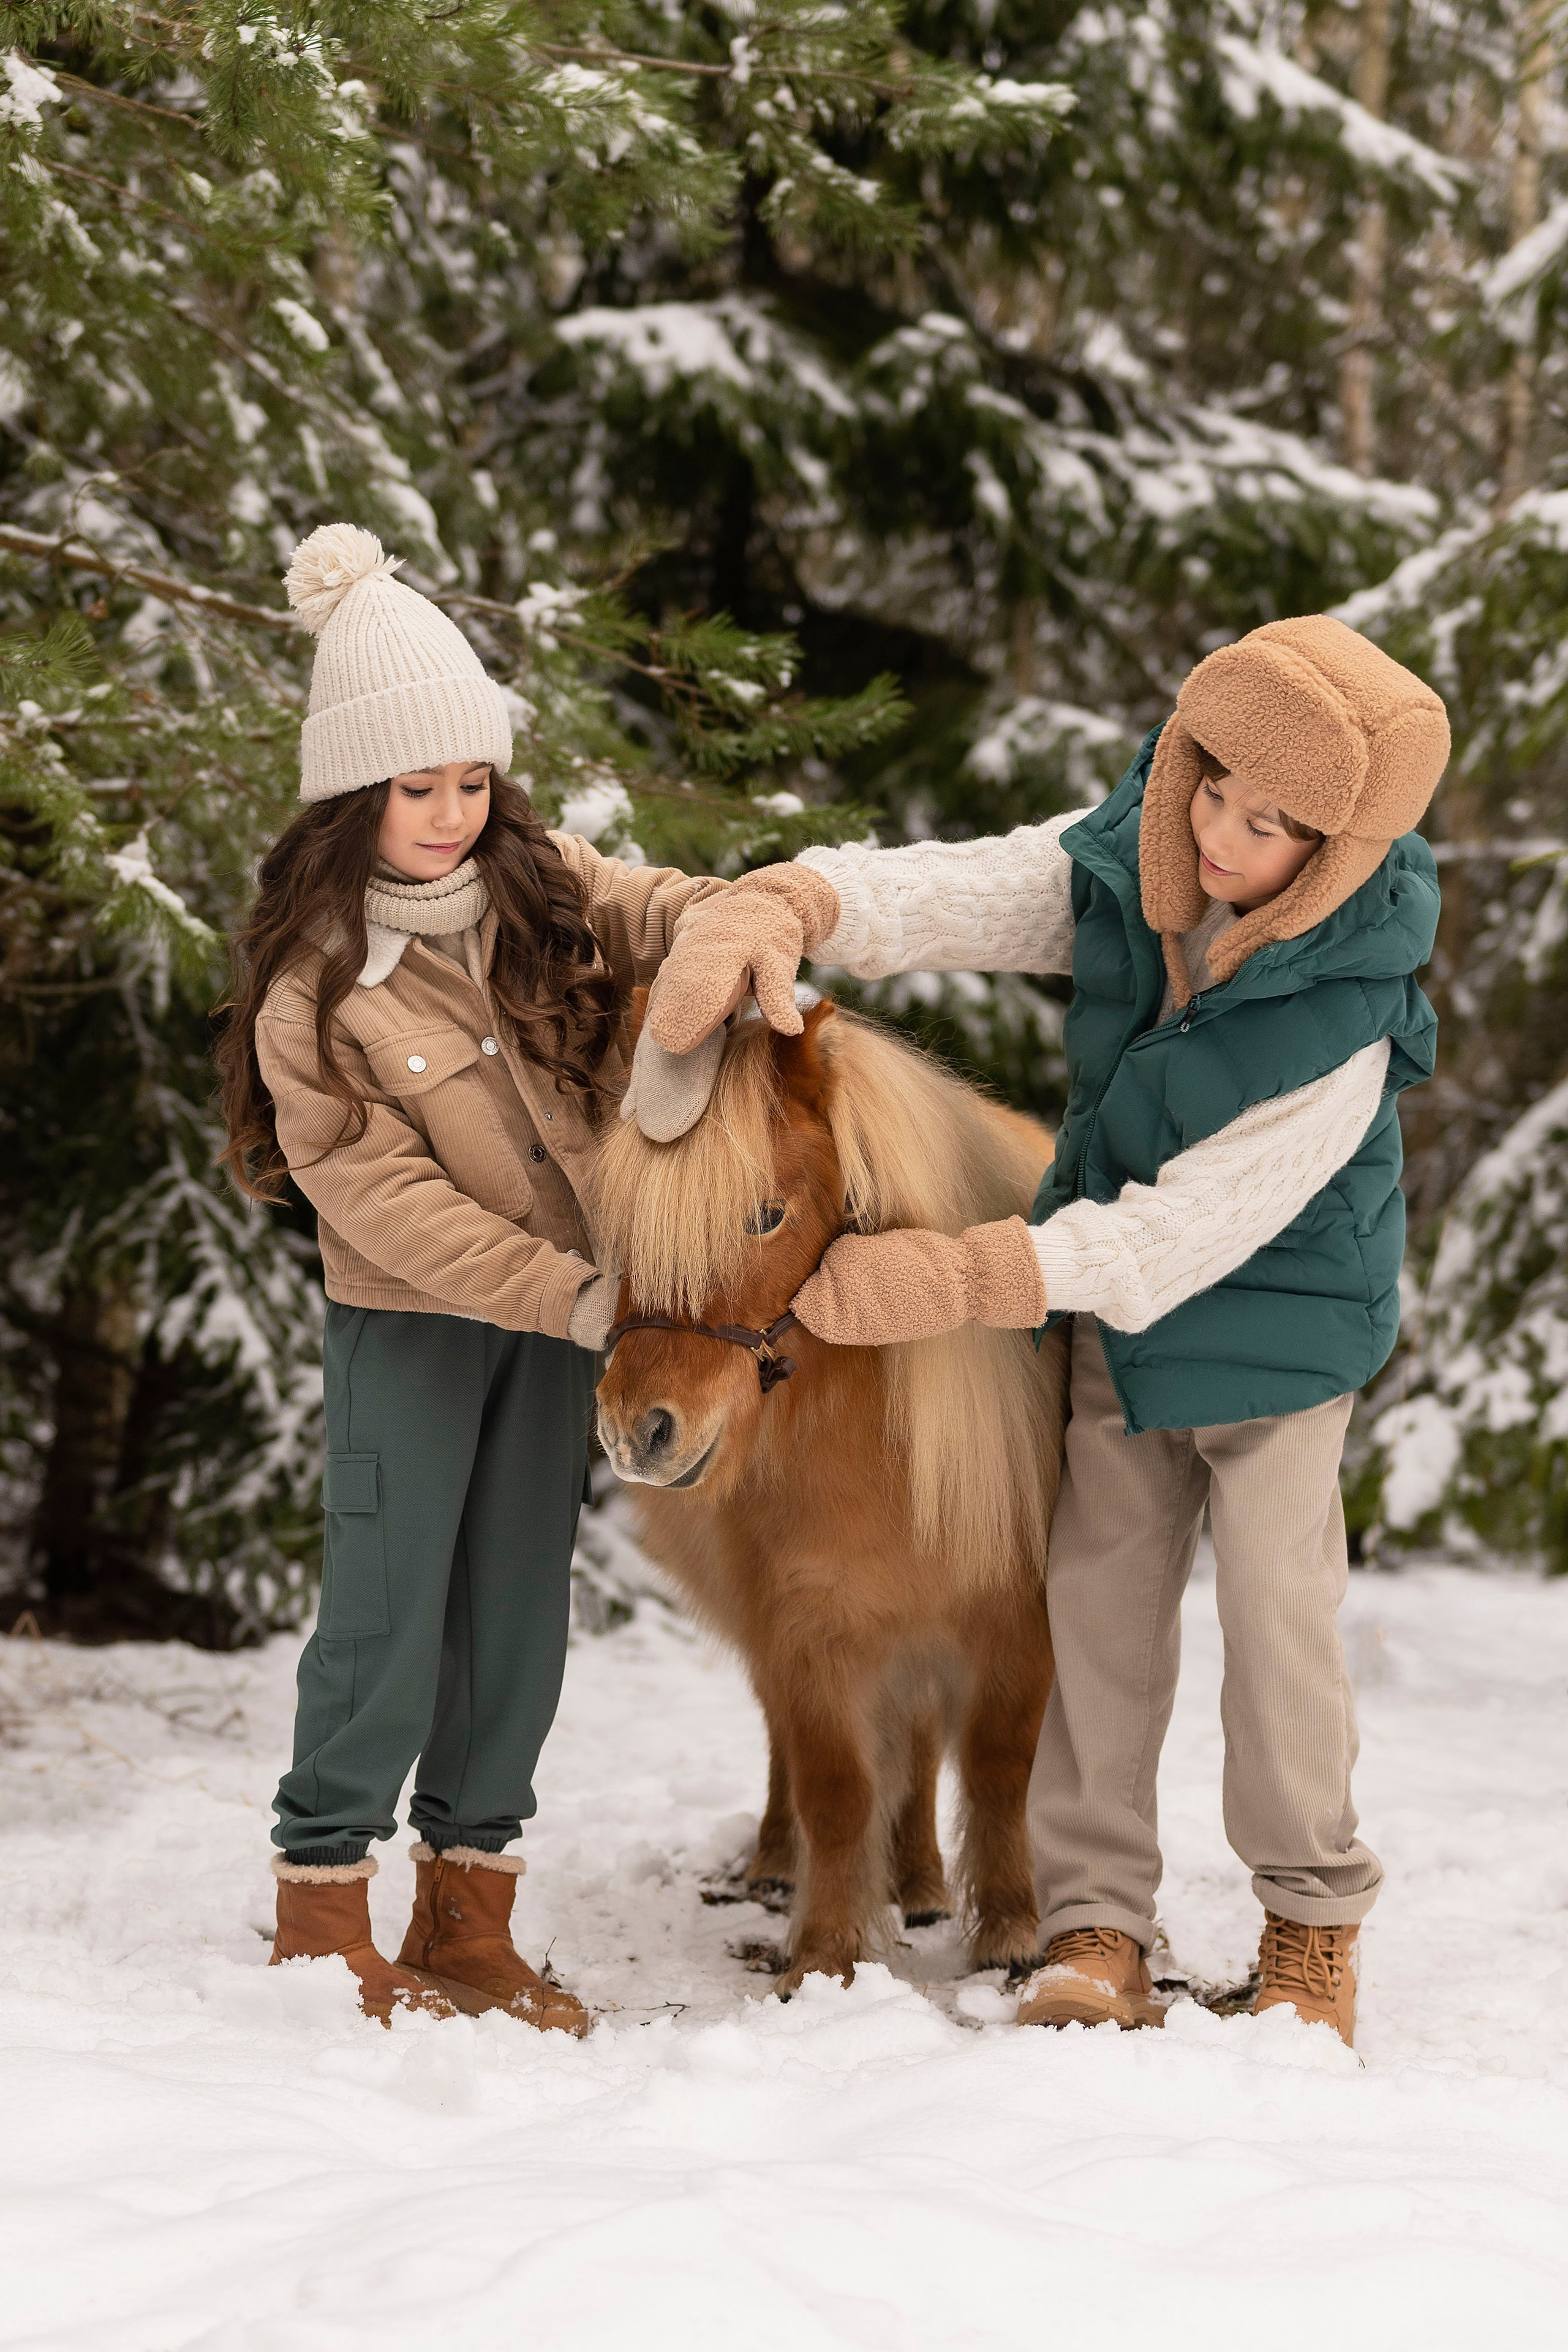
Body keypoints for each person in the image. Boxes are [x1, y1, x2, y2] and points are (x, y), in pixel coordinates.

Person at [636, 616, 1448, 2048]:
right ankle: (1092, 1924)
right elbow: (958, 893)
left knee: (1275, 1633)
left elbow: (1182, 1234)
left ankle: (1308, 1924)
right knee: (1093, 1618)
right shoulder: (1137, 863)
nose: (1216, 837)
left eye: (1264, 827)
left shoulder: (1347, 1009)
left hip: (1269, 1343)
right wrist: (794, 903)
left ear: (1328, 853)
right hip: (1106, 1333)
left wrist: (961, 1277)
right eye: (1209, 791)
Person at [217, 523, 725, 2027]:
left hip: (563, 1330)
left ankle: (466, 1915)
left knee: (512, 1617)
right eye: (414, 788)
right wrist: (574, 1295)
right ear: (351, 799)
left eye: (470, 781)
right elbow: (379, 1198)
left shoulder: (540, 887)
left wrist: (748, 918)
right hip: (419, 1332)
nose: (450, 815)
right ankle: (324, 1910)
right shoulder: (316, 988)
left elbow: (660, 902)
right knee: (387, 1616)